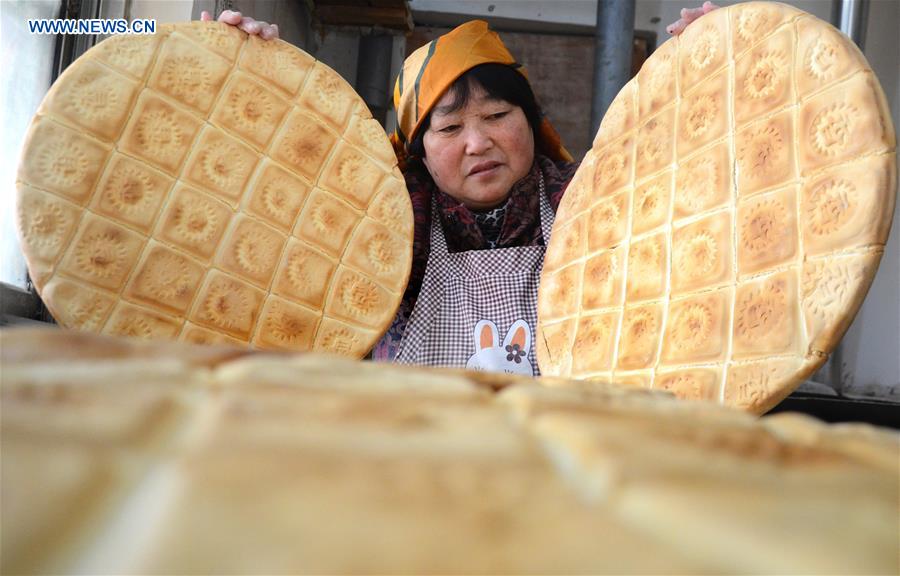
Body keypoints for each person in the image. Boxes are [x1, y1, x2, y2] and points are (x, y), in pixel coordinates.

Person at [206, 4, 717, 374]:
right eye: (449, 129)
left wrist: (712, 69)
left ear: (532, 123)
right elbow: (264, 205)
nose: (478, 143)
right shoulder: (375, 219)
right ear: (418, 150)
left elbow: (699, 196)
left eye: (497, 115)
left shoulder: (595, 199)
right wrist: (248, 78)